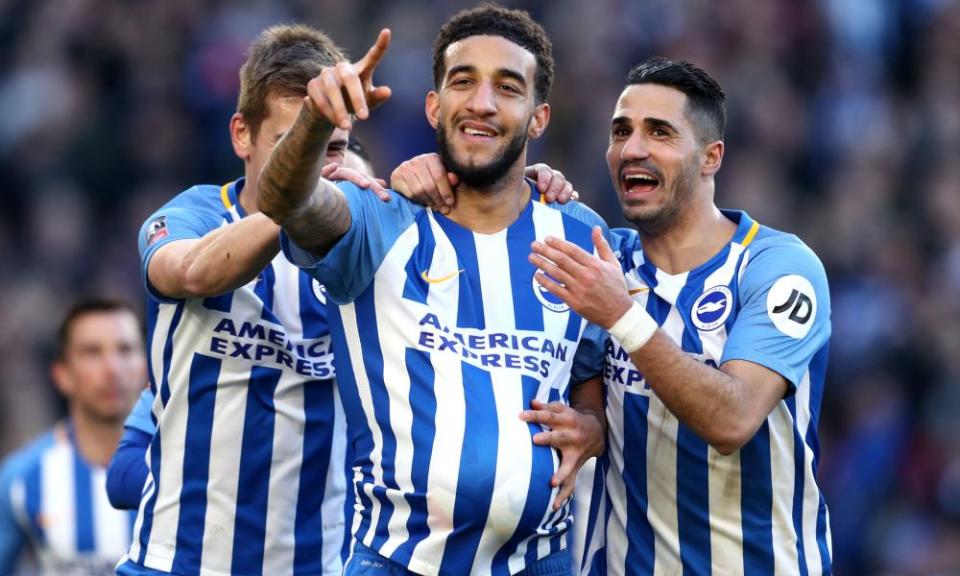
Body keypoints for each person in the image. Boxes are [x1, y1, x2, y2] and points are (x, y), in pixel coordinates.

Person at [257, 5, 608, 575]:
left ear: (539, 117)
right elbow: (283, 201)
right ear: (433, 105)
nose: (482, 102)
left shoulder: (579, 238)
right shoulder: (378, 219)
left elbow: (594, 372)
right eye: (462, 81)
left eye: (507, 87)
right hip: (397, 560)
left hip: (540, 562)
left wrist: (592, 424)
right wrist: (314, 123)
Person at [527, 57, 833, 575]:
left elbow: (732, 419)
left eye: (660, 132)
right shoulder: (604, 260)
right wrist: (514, 186)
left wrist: (623, 315)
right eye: (621, 131)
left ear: (711, 157)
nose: (633, 149)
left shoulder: (779, 269)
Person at [115, 25, 358, 576]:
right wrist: (295, 202)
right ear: (241, 135)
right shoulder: (192, 216)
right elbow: (195, 272)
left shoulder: (371, 247)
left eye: (333, 148)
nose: (317, 168)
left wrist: (529, 184)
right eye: (295, 145)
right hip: (174, 563)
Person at [0, 298, 146, 575]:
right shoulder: (22, 478)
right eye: (92, 352)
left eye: (125, 350)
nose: (112, 368)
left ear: (145, 366)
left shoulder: (183, 471)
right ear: (62, 375)